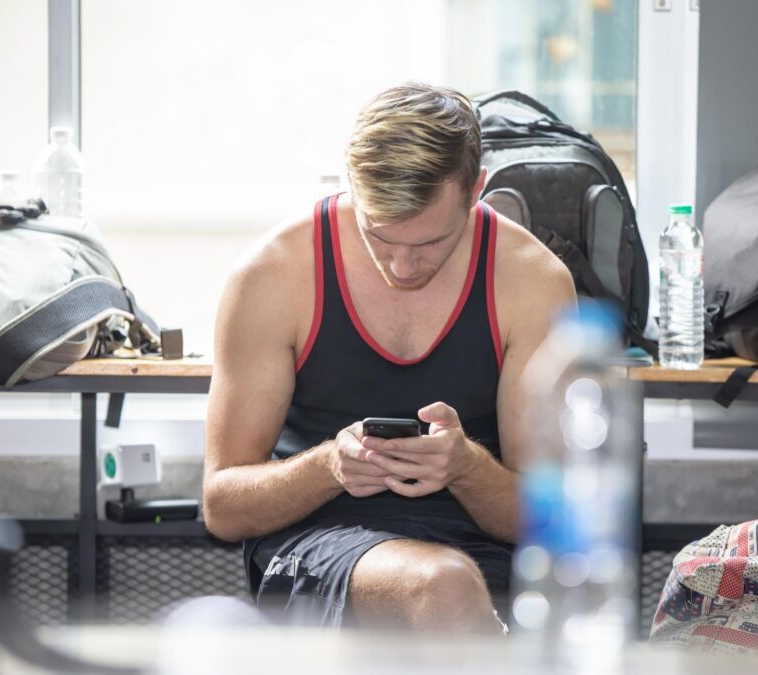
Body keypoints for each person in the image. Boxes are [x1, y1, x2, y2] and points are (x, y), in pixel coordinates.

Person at [203, 82, 576, 633]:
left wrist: (467, 469)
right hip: (319, 544)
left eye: (430, 242)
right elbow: (223, 507)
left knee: (453, 584)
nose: (402, 268)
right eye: (379, 236)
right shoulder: (271, 275)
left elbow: (545, 521)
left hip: (486, 554)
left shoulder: (534, 282)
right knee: (441, 584)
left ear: (477, 188)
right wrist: (332, 465)